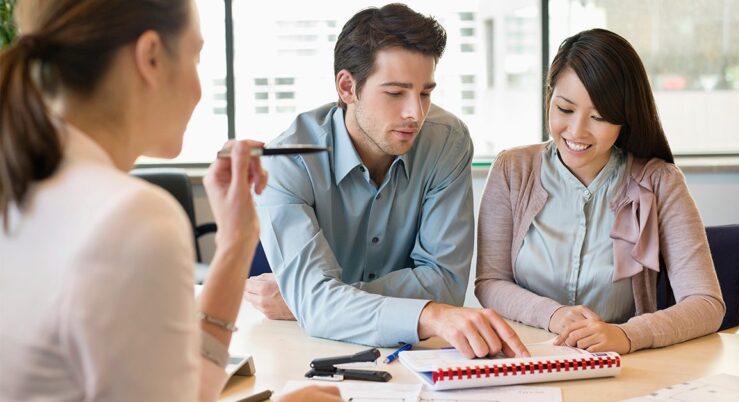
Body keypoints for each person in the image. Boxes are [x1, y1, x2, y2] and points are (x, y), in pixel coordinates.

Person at [0, 1, 340, 401]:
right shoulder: (129, 217)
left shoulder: (28, 185)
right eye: (197, 56)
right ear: (151, 57)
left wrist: (237, 240)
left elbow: (173, 387)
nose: (199, 88)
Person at [245, 3, 529, 359]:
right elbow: (318, 306)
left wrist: (319, 301)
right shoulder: (288, 163)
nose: (415, 113)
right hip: (304, 352)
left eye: (425, 92)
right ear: (348, 87)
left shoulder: (447, 142)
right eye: (395, 93)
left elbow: (445, 283)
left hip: (413, 355)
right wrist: (426, 313)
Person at [474, 28, 725, 355]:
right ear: (549, 96)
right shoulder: (512, 170)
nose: (576, 131)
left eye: (600, 117)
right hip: (524, 357)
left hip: (619, 365)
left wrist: (627, 335)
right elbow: (490, 283)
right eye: (564, 109)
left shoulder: (661, 182)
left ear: (625, 119)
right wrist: (555, 315)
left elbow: (706, 303)